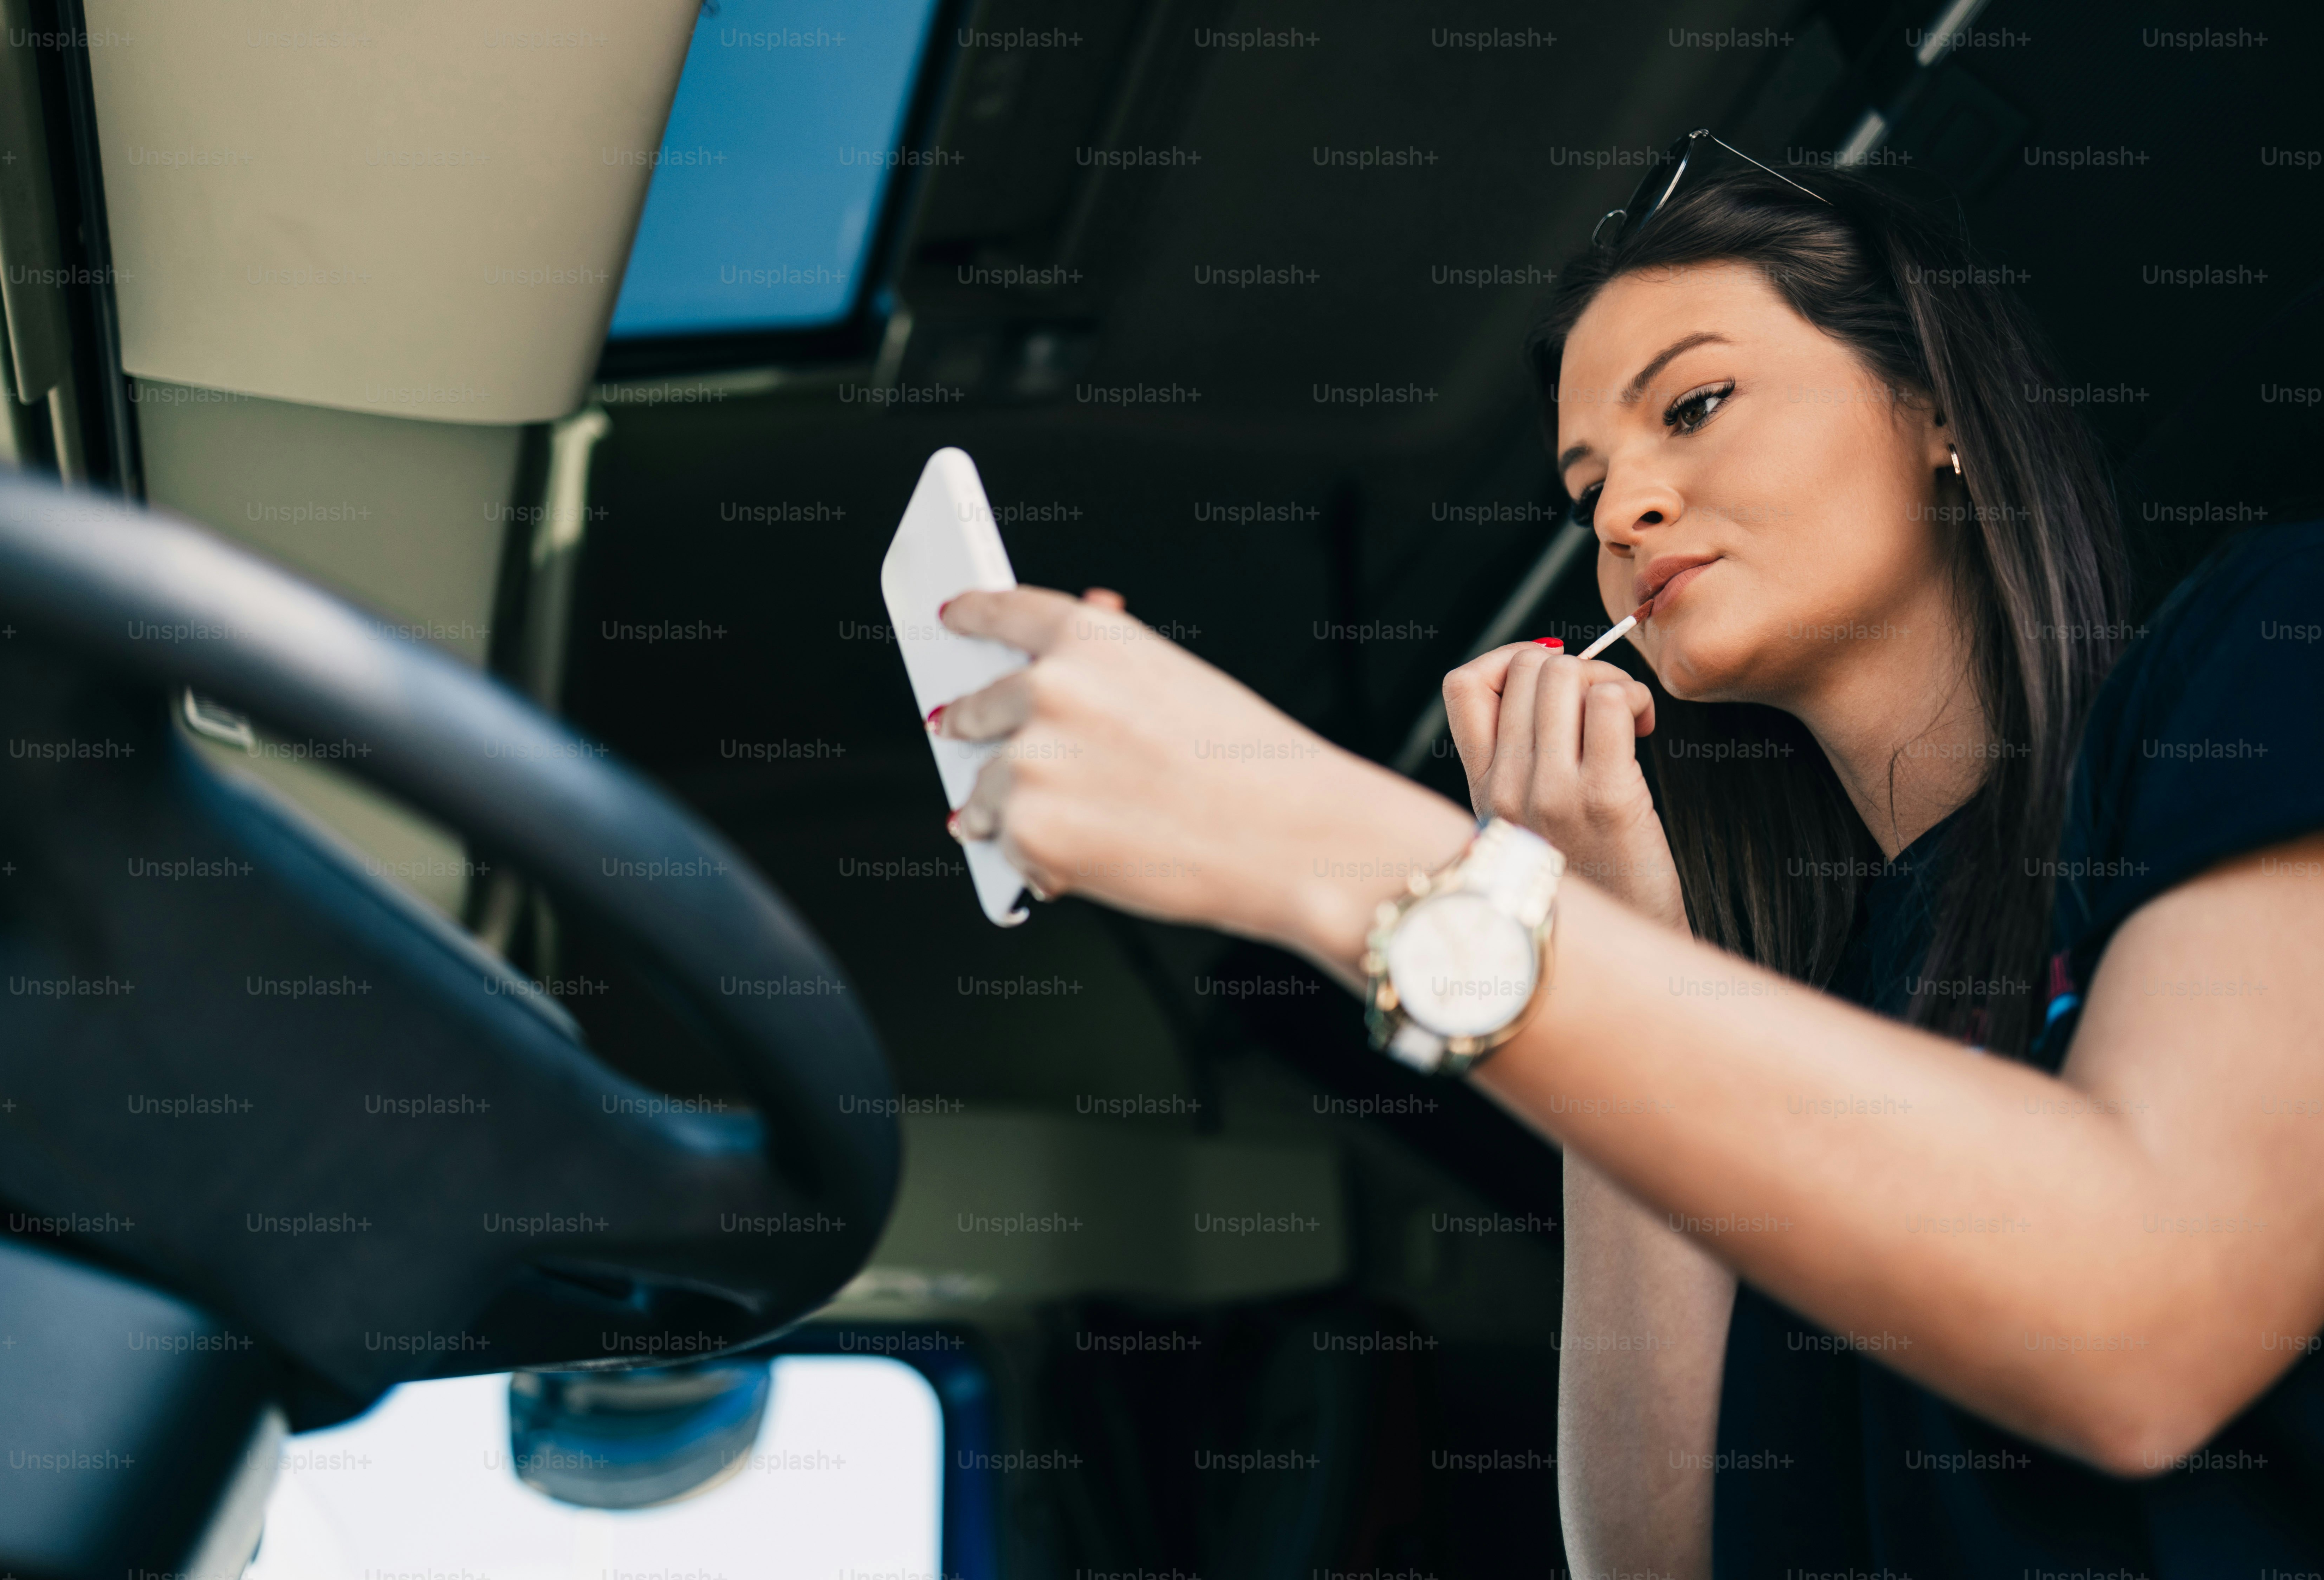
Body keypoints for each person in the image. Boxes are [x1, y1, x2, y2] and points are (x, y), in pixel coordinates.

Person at [926, 158, 2324, 1575]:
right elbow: (1658, 1557)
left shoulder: (2260, 654)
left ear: (1939, 407)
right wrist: (1593, 916)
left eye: (1695, 405)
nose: (1619, 513)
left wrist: (1321, 837)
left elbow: (2155, 1314)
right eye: (1584, 485)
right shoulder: (1790, 1012)